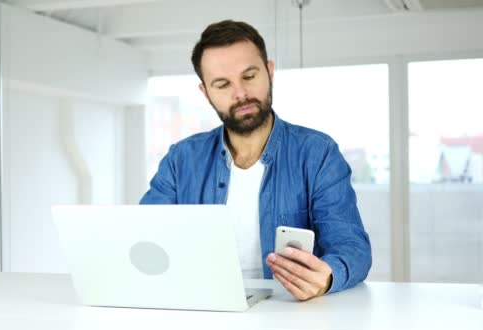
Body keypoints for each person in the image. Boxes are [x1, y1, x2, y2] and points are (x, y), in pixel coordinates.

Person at [140, 19, 371, 301]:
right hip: (200, 310)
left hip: (288, 316)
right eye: (223, 84)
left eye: (249, 76)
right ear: (206, 92)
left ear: (269, 72)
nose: (240, 93)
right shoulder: (181, 160)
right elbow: (145, 239)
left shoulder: (317, 153)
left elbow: (351, 247)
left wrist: (327, 275)